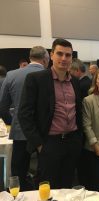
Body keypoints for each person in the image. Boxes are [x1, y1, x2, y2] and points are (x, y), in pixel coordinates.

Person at [18, 38, 83, 189]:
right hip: (49, 144)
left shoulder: (75, 81)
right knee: (48, 189)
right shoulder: (36, 79)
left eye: (68, 55)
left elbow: (78, 112)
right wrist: (39, 145)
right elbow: (24, 114)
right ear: (51, 55)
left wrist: (78, 140)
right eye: (60, 54)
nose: (64, 58)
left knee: (68, 187)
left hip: (72, 142)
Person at [0, 46, 49, 191]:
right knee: (45, 171)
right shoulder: (49, 75)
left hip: (20, 130)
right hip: (44, 133)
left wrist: (13, 121)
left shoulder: (11, 75)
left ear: (30, 58)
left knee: (19, 171)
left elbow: (3, 107)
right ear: (46, 60)